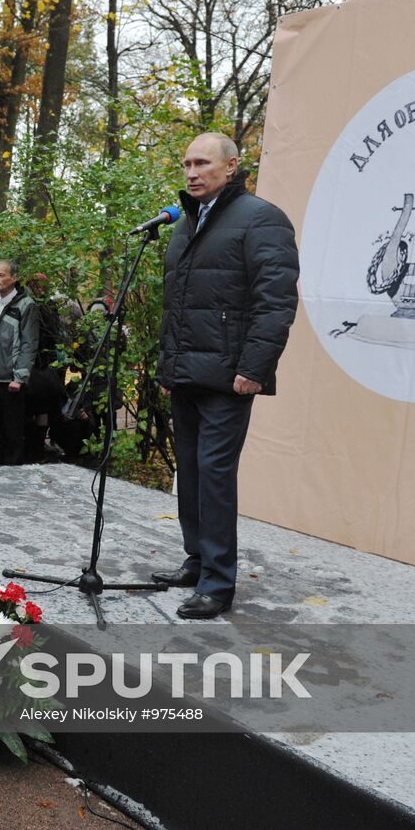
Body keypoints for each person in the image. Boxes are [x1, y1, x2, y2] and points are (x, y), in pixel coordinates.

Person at [152, 132, 300, 620]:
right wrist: (168, 366)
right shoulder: (185, 222)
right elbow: (177, 305)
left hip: (229, 378)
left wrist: (254, 368)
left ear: (232, 166)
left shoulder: (261, 219)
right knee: (190, 471)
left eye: (201, 163)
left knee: (214, 475)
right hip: (187, 373)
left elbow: (275, 301)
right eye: (186, 163)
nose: (191, 172)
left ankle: (218, 583)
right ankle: (196, 560)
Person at [0, 259, 38, 465]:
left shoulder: (26, 305)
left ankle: (13, 472)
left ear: (14, 278)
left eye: (1, 275)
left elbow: (29, 344)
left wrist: (20, 376)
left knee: (12, 431)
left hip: (11, 381)